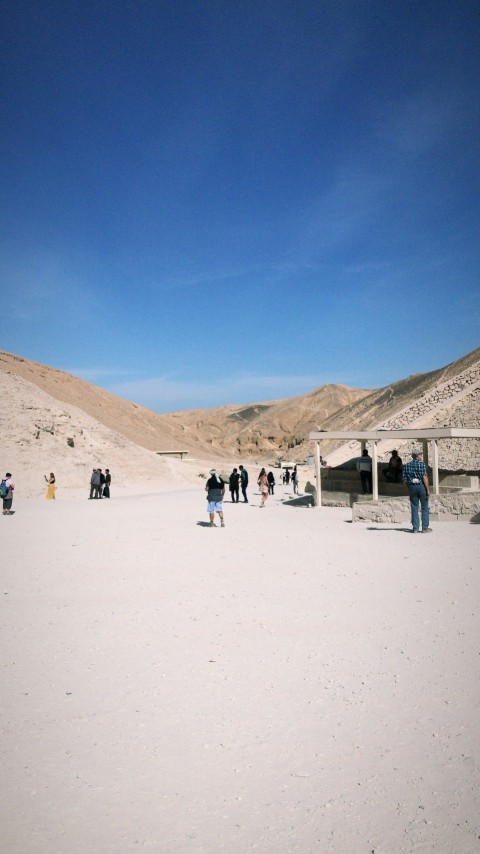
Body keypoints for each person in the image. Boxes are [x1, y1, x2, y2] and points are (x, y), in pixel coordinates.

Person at [403, 448, 431, 533]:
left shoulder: (407, 465)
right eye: (420, 454)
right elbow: (424, 477)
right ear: (417, 456)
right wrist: (428, 490)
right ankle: (425, 527)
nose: (421, 455)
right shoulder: (421, 465)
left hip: (412, 486)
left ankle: (415, 527)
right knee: (424, 507)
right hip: (421, 486)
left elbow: (404, 480)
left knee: (414, 507)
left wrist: (409, 488)